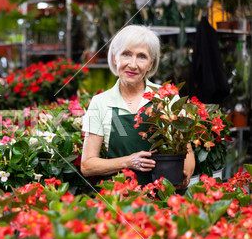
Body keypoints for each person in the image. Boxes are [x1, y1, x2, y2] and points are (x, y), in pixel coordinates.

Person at [81, 25, 195, 189]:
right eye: (126, 54)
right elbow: (87, 166)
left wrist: (185, 176)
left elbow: (187, 151)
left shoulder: (167, 97)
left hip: (162, 200)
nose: (133, 65)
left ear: (151, 64)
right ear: (115, 58)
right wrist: (128, 161)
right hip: (119, 200)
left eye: (142, 57)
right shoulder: (100, 102)